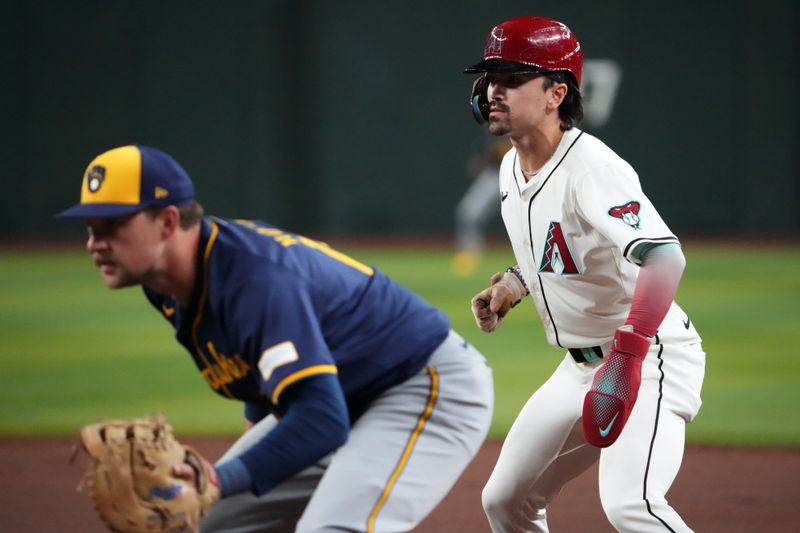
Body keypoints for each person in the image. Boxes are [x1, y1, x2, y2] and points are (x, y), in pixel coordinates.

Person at [56, 144, 494, 532]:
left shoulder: (254, 279)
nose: (95, 242)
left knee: (330, 527)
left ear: (168, 221)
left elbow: (322, 419)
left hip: (425, 385)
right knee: (212, 520)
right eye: (90, 227)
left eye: (111, 225)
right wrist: (237, 478)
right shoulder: (167, 285)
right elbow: (257, 370)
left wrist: (215, 478)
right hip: (340, 395)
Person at [463, 16, 705, 532]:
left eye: (509, 78)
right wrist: (513, 284)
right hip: (576, 368)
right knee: (505, 500)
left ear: (555, 93)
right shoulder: (512, 167)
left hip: (648, 357)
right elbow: (554, 250)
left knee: (631, 504)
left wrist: (630, 354)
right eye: (489, 78)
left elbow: (664, 257)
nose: (492, 91)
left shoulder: (591, 168)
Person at [451, 133, 512, 277]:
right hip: (493, 175)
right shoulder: (493, 125)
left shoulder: (522, 121)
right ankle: (469, 254)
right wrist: (482, 159)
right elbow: (488, 150)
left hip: (516, 173)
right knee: (468, 213)